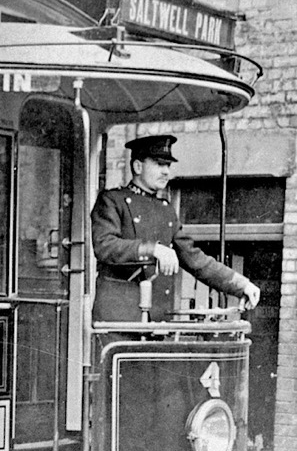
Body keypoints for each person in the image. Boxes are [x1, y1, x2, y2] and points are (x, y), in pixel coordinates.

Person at [91, 135, 261, 322]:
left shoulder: (166, 210)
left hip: (156, 319)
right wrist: (153, 250)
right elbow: (104, 246)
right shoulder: (112, 201)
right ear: (138, 166)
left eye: (168, 165)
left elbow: (195, 259)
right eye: (159, 164)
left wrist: (241, 284)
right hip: (117, 320)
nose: (166, 171)